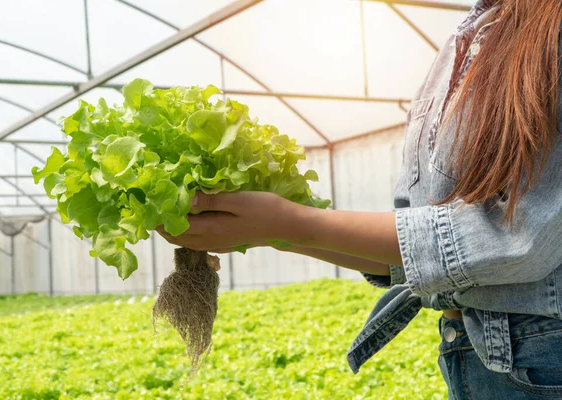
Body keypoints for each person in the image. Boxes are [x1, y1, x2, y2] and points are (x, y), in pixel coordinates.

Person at [156, 0, 562, 398]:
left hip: (541, 361)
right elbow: (415, 251)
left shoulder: (549, 30)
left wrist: (288, 222)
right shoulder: (464, 39)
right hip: (475, 356)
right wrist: (272, 232)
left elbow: (515, 238)